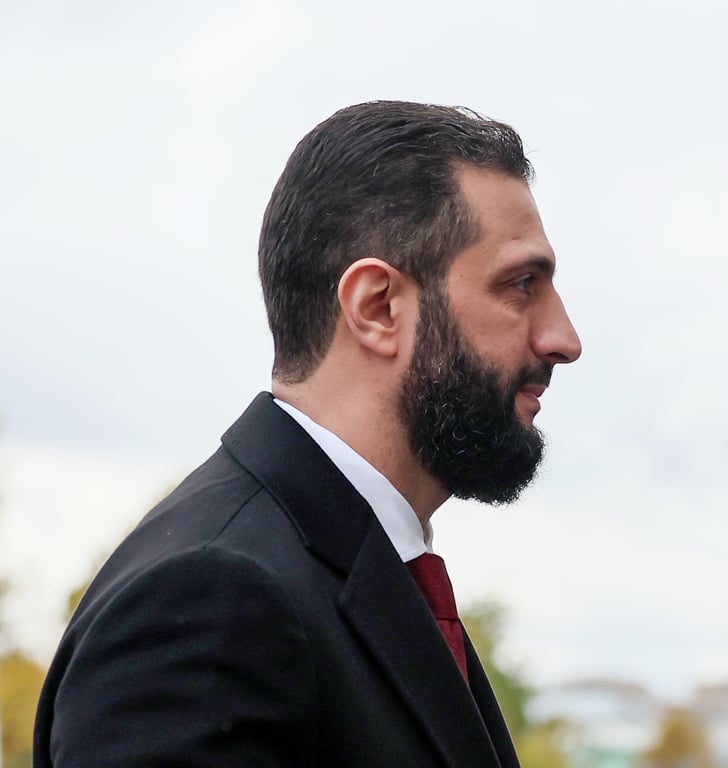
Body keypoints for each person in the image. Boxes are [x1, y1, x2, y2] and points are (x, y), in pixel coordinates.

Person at [33, 101, 582, 768]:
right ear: (378, 307)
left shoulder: (340, 572)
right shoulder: (211, 600)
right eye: (521, 285)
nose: (563, 340)